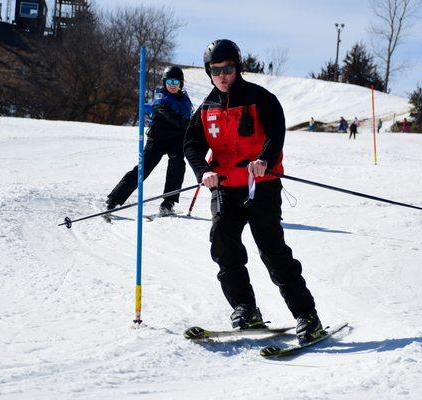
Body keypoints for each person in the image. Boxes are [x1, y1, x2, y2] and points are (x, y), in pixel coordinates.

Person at [184, 39, 323, 345]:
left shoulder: (261, 99)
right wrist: (203, 172)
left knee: (272, 250)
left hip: (261, 185)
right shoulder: (206, 109)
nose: (222, 75)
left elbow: (276, 133)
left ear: (238, 67)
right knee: (223, 243)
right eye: (215, 70)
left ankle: (307, 317)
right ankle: (246, 309)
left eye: (228, 68)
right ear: (209, 72)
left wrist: (265, 160)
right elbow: (192, 145)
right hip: (224, 187)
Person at [106, 66, 193, 215]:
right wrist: (182, 122)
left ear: (181, 84)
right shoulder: (160, 96)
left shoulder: (185, 100)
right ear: (165, 82)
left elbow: (189, 117)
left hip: (176, 140)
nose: (173, 85)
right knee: (143, 168)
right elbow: (163, 111)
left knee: (178, 165)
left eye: (176, 82)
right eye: (170, 81)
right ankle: (114, 199)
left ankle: (168, 203)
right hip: (158, 138)